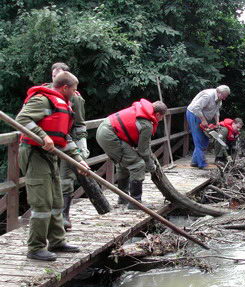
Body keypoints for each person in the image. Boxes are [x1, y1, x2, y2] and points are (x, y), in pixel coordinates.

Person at [16, 71, 89, 261]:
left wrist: (79, 159)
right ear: (65, 87)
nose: (75, 92)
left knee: (57, 199)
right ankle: (35, 248)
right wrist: (43, 136)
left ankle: (57, 241)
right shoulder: (42, 100)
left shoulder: (63, 105)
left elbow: (65, 137)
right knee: (42, 203)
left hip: (50, 155)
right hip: (35, 155)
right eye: (74, 89)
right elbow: (22, 119)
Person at [96, 99, 167, 209]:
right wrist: (151, 166)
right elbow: (143, 150)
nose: (161, 119)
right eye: (162, 117)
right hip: (110, 135)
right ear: (157, 114)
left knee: (123, 164)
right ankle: (135, 202)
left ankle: (123, 198)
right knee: (138, 165)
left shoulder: (140, 110)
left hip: (104, 128)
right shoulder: (147, 124)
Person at [43, 62, 90, 230]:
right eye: (54, 76)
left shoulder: (75, 97)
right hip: (45, 142)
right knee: (46, 179)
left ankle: (64, 216)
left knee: (66, 179)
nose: (57, 79)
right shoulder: (44, 94)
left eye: (60, 76)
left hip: (67, 141)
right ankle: (49, 216)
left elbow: (79, 124)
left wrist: (81, 145)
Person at [186, 85, 230, 169]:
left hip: (204, 116)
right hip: (194, 114)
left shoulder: (219, 99)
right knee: (199, 139)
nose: (224, 99)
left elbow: (216, 111)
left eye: (225, 97)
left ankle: (195, 162)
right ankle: (202, 164)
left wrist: (217, 122)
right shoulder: (207, 96)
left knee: (205, 139)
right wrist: (203, 120)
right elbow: (196, 108)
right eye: (223, 96)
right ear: (218, 92)